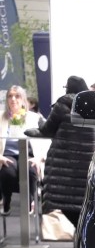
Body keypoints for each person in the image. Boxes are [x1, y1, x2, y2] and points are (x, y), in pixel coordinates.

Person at [25, 75, 95, 248]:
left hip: (65, 162)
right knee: (80, 204)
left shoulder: (63, 104)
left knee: (65, 204)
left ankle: (83, 241)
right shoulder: (93, 105)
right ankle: (81, 244)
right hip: (86, 161)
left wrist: (33, 129)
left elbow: (47, 129)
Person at [0, 85, 42, 216]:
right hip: (7, 154)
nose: (13, 99)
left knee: (30, 170)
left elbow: (45, 141)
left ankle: (30, 202)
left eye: (17, 96)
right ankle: (6, 201)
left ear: (23, 99)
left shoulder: (34, 118)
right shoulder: (1, 116)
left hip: (29, 153)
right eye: (10, 96)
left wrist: (39, 157)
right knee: (7, 171)